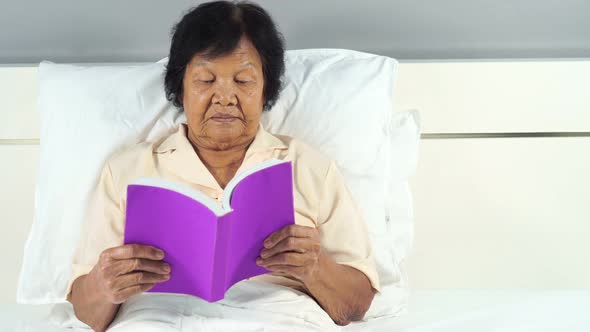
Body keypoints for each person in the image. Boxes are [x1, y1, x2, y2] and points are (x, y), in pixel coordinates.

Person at [67, 1, 379, 330]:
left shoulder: (309, 168)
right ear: (180, 88)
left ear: (265, 89)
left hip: (279, 317)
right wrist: (104, 286)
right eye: (205, 80)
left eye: (243, 81)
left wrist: (315, 268)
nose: (225, 97)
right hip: (159, 317)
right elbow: (85, 311)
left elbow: (356, 306)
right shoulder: (127, 170)